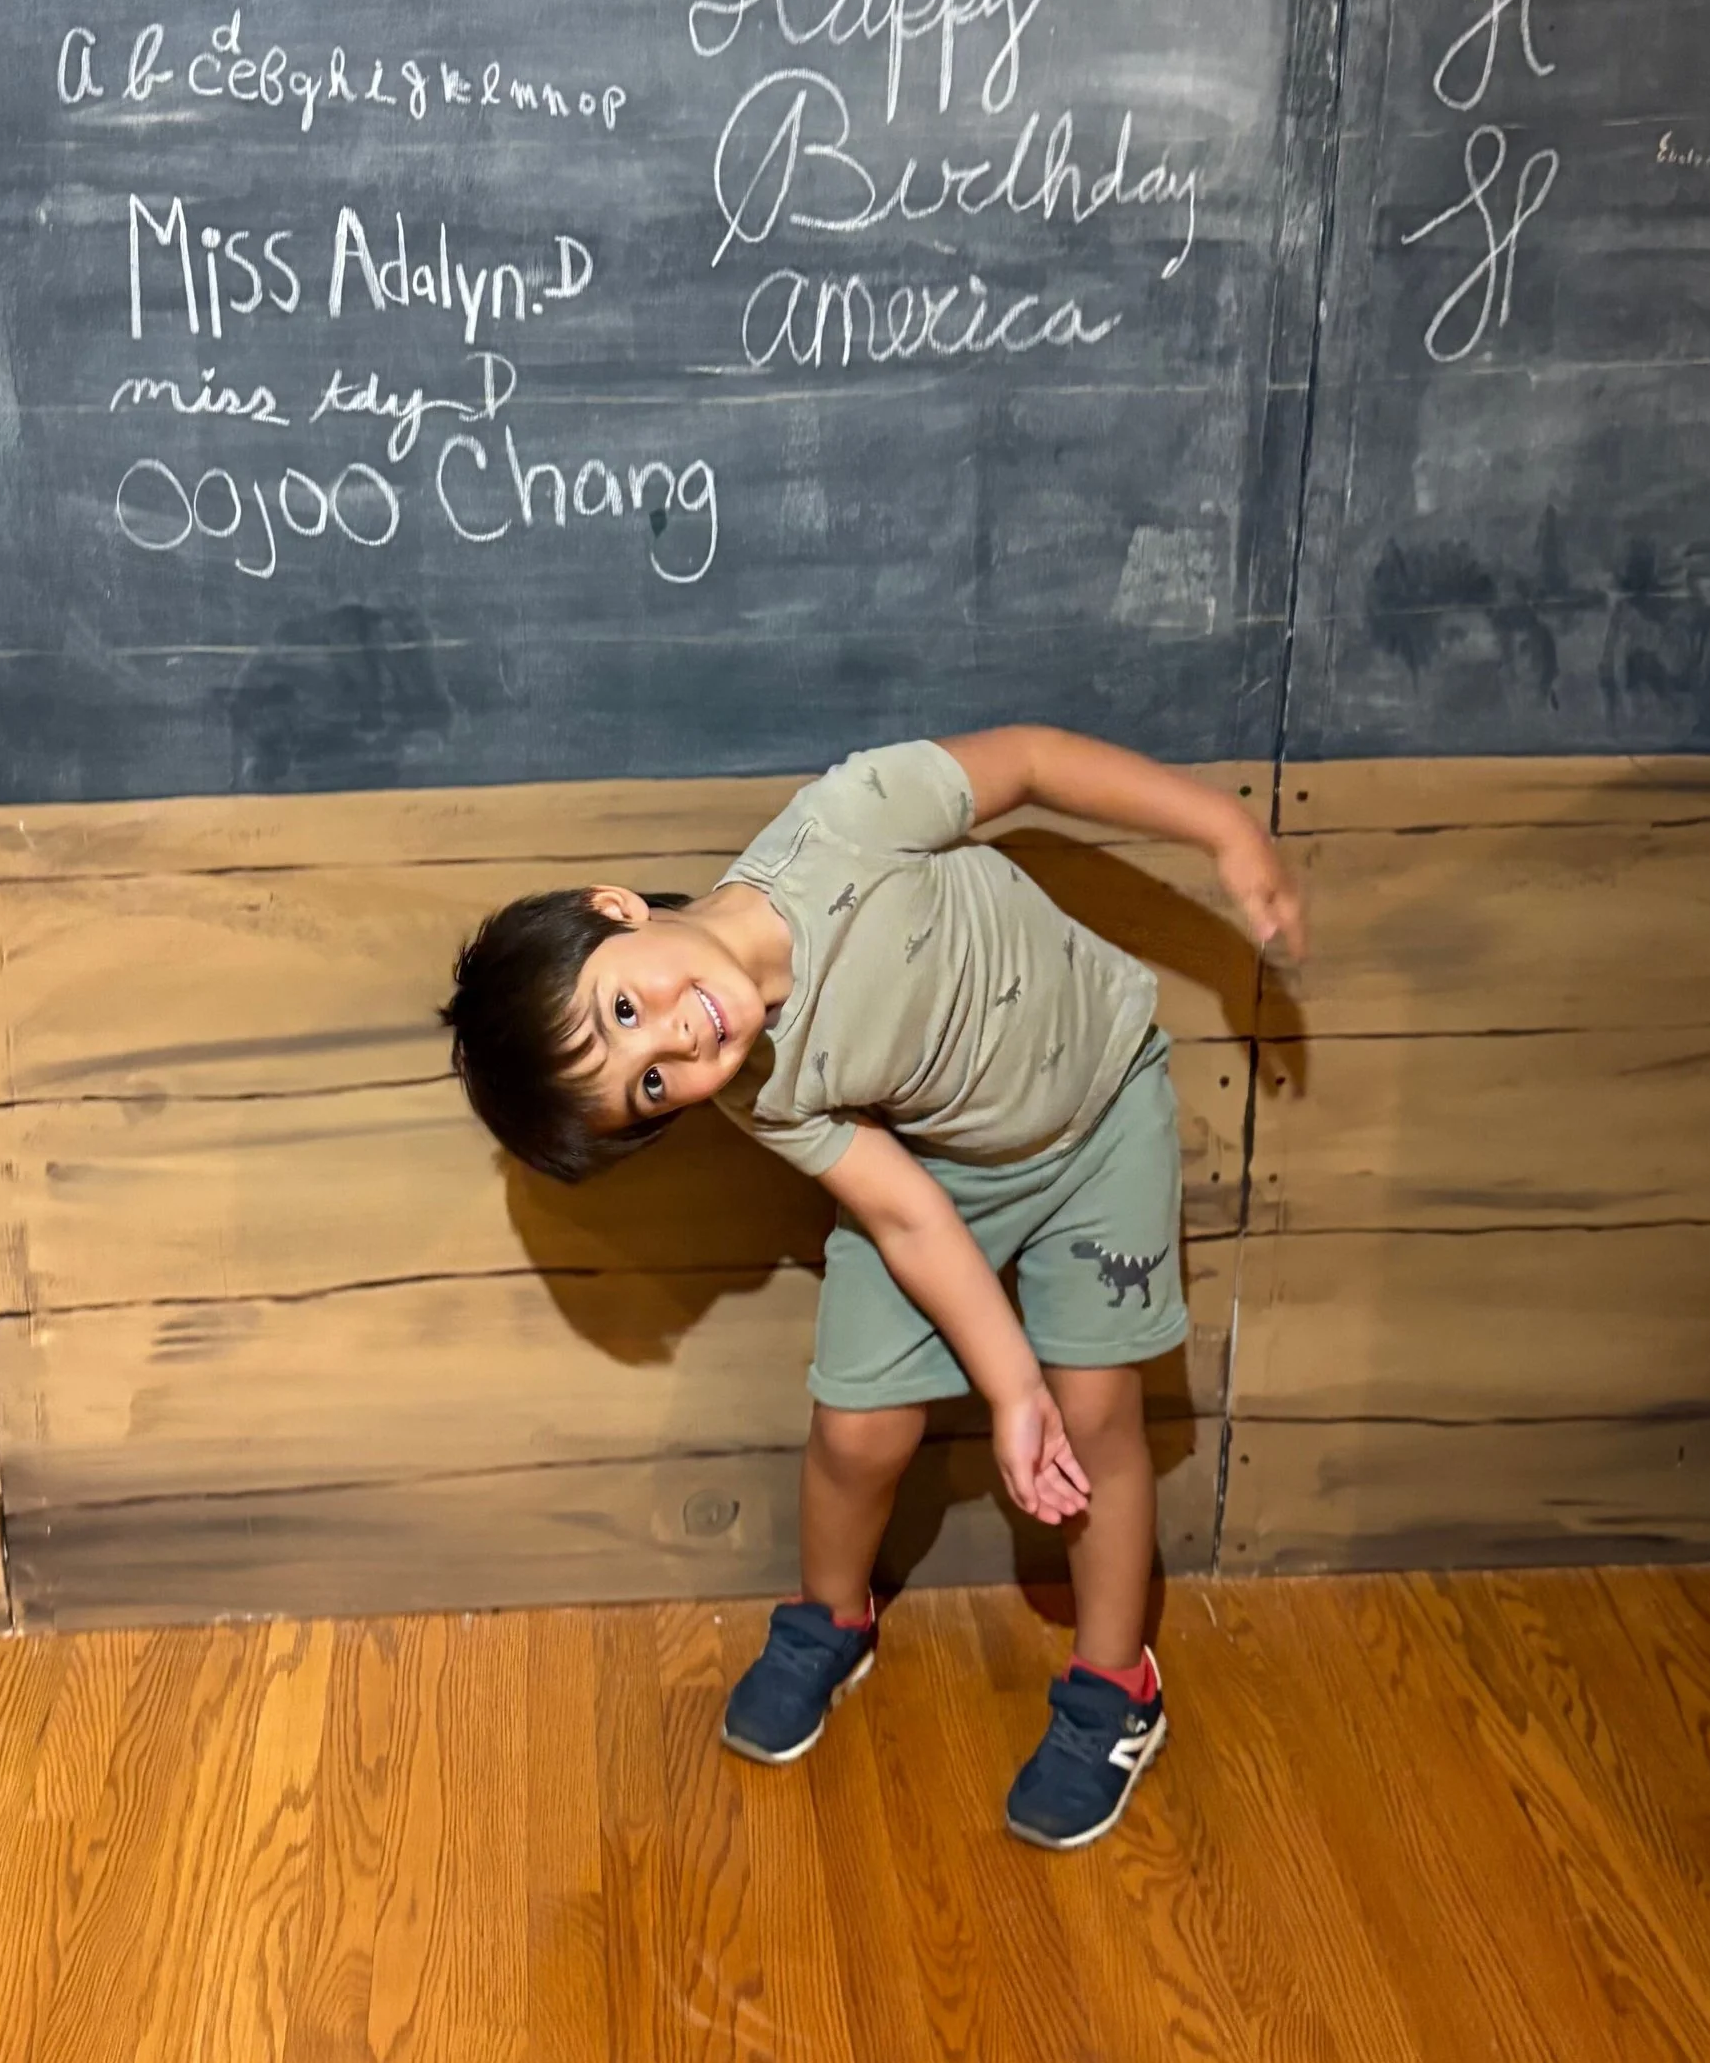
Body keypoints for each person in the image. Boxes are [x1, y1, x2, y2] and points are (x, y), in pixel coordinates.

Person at [441, 728, 1306, 1849]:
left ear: (618, 911)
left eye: (622, 1012)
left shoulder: (847, 818)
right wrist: (1006, 1387)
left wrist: (1224, 825)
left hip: (1102, 1121)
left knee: (1096, 1417)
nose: (671, 1043)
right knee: (856, 1430)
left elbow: (1036, 763)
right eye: (649, 1086)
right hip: (945, 1171)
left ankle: (1113, 1689)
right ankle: (828, 1622)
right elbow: (906, 1212)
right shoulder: (756, 1089)